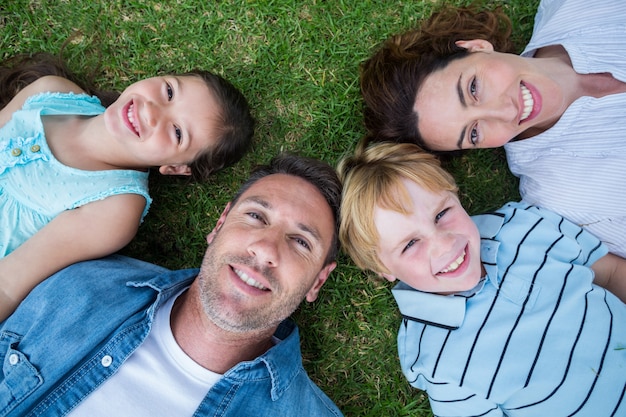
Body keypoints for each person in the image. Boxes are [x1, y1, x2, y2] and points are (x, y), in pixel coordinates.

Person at [0, 152, 343, 416]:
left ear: (318, 282)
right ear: (219, 224)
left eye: (300, 242)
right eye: (256, 216)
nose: (266, 249)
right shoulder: (80, 286)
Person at [337, 142, 626, 417]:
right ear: (382, 268)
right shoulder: (438, 361)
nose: (443, 244)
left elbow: (612, 273)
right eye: (410, 244)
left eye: (442, 213)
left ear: (455, 195)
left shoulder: (525, 224)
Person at [359, 0, 626, 259]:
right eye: (474, 133)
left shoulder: (579, 6)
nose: (506, 112)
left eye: (473, 88)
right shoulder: (565, 202)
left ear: (476, 47)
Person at [0, 52, 254, 321]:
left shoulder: (114, 209)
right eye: (169, 91)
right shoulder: (51, 91)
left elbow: (8, 285)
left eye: (177, 132)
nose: (152, 111)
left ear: (177, 167)